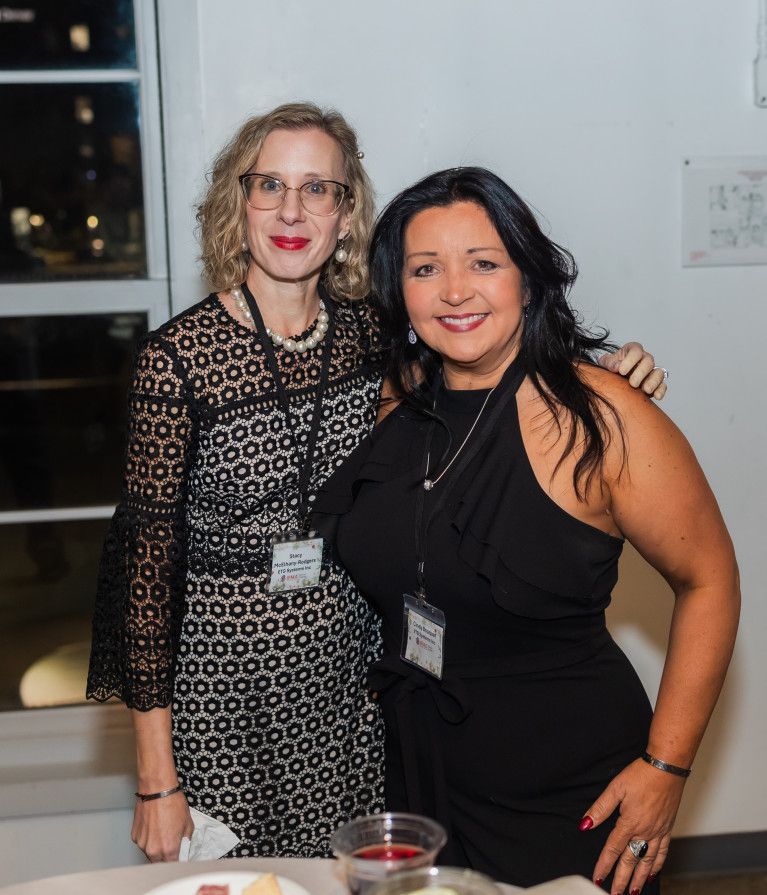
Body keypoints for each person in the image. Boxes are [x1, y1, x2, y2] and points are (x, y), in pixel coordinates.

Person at [86, 104, 666, 864]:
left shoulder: (376, 335)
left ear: (346, 210)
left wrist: (613, 374)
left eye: (318, 189)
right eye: (269, 185)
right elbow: (144, 575)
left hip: (356, 689)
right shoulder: (178, 359)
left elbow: (493, 349)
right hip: (224, 698)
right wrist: (156, 778)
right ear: (238, 200)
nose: (292, 211)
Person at [313, 167, 739, 892]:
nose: (454, 290)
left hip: (565, 788)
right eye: (425, 268)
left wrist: (665, 766)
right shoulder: (399, 401)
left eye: (483, 262)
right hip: (419, 774)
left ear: (527, 279)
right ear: (399, 291)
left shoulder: (601, 417)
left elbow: (709, 580)